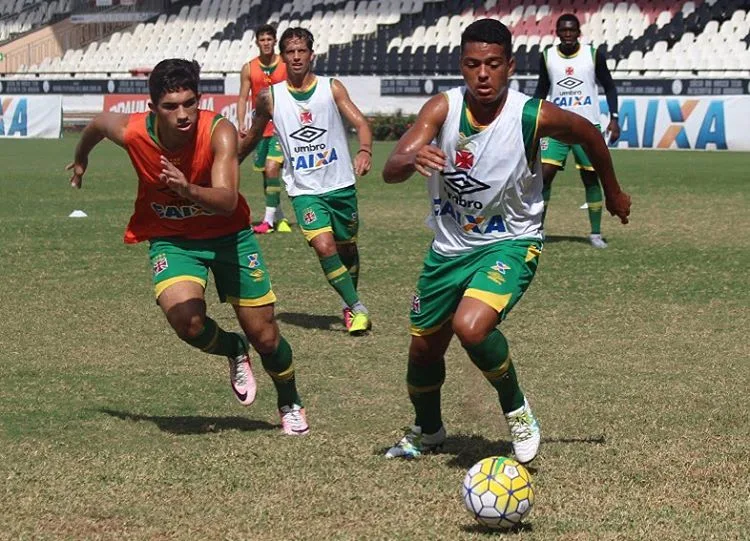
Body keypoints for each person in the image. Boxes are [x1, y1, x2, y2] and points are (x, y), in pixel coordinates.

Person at [381, 19, 630, 462]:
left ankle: (517, 411)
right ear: (461, 66)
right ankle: (429, 430)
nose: (482, 74)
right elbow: (392, 167)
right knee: (423, 349)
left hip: (512, 241)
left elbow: (589, 134)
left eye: (493, 64)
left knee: (471, 326)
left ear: (510, 66)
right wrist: (411, 156)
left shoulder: (531, 114)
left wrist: (611, 191)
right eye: (473, 64)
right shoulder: (443, 108)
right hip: (449, 248)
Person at [67, 58, 309, 435]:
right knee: (187, 322)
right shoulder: (133, 133)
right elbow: (98, 124)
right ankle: (233, 348)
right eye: (171, 106)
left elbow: (228, 200)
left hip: (231, 237)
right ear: (152, 109)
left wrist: (187, 190)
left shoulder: (219, 131)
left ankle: (290, 400)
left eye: (189, 103)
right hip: (174, 239)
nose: (183, 114)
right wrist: (81, 160)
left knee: (267, 336)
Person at [239, 27, 374, 336]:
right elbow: (253, 136)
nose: (296, 56)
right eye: (290, 52)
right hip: (304, 191)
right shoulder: (270, 97)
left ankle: (348, 303)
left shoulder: (332, 88)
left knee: (346, 249)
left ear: (311, 55)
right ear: (283, 57)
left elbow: (361, 123)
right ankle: (357, 307)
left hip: (340, 185)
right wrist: (230, 162)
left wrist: (365, 150)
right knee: (324, 246)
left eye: (302, 51)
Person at [534, 13, 621, 248]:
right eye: (563, 30)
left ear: (578, 32)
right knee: (544, 176)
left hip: (587, 128)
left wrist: (614, 118)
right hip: (556, 126)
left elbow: (610, 87)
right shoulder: (547, 56)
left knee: (591, 178)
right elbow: (541, 90)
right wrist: (531, 119)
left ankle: (595, 233)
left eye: (572, 30)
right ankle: (537, 230)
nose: (568, 34)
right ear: (557, 32)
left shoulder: (592, 55)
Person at [237, 24, 291, 234]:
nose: (266, 43)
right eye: (262, 40)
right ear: (257, 42)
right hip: (259, 128)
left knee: (272, 168)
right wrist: (241, 123)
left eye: (269, 39)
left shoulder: (285, 65)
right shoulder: (249, 68)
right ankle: (280, 217)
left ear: (275, 41)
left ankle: (267, 222)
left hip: (280, 126)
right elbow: (242, 97)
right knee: (266, 175)